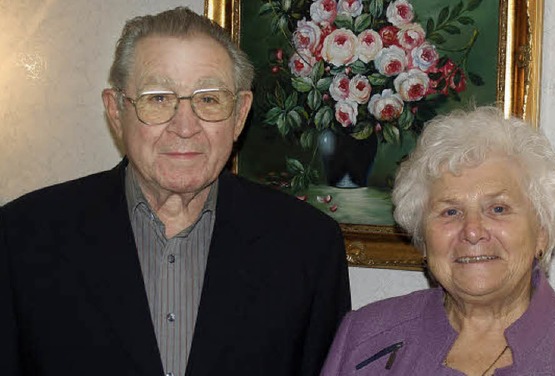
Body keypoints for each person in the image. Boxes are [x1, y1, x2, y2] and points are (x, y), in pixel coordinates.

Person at [0, 7, 350, 376]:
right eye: (158, 98)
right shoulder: (22, 237)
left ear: (240, 114)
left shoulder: (308, 246)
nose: (185, 127)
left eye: (209, 99)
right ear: (116, 111)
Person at [320, 106, 555, 375]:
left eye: (498, 208)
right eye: (450, 212)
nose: (472, 231)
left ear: (541, 231)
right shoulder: (363, 339)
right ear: (422, 235)